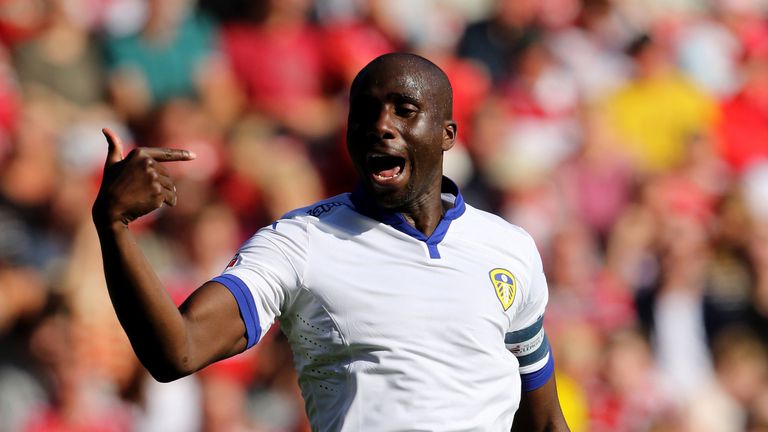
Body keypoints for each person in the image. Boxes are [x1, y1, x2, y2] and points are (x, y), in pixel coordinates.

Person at [92, 53, 569, 431]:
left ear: (446, 136)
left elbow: (543, 420)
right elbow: (178, 351)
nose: (381, 124)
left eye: (404, 110)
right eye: (365, 112)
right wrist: (114, 226)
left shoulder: (510, 248)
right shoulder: (300, 243)